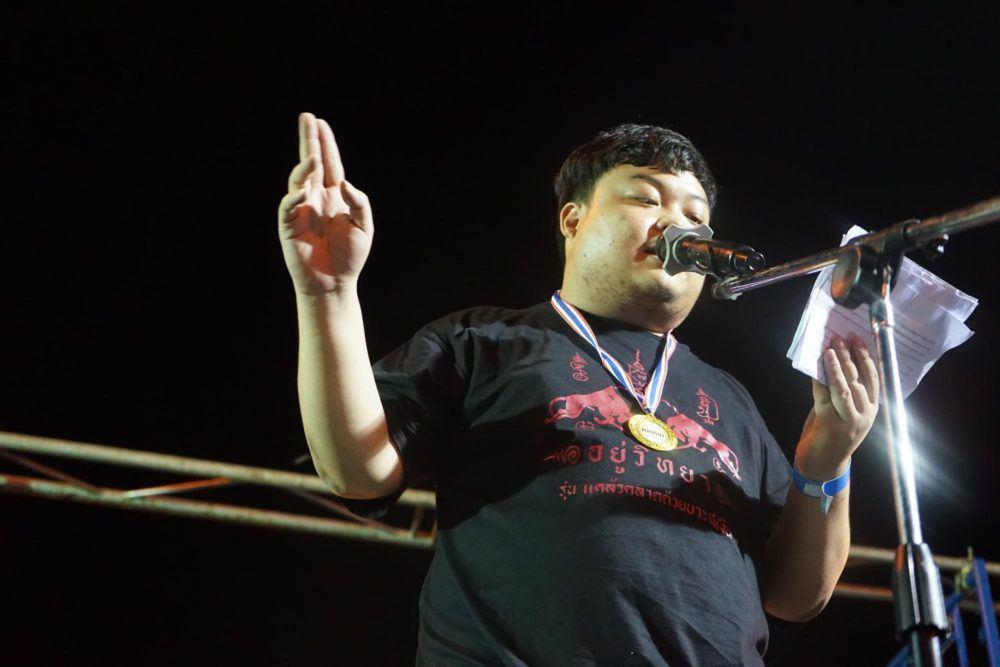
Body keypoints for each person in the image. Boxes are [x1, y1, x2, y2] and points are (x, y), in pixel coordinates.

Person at [277, 112, 880, 665]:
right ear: (573, 219)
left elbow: (796, 596)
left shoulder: (729, 400)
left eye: (696, 215)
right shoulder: (485, 341)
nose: (678, 223)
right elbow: (357, 471)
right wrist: (328, 293)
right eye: (646, 198)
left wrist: (827, 456)